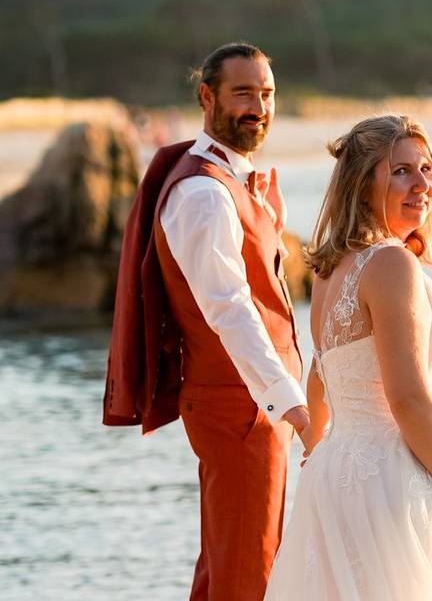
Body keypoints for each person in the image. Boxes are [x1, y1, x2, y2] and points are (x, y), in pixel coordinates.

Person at [108, 41, 311, 600]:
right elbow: (228, 307)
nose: (258, 107)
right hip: (239, 405)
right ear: (207, 96)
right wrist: (287, 399)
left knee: (228, 563)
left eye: (266, 94)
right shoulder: (202, 193)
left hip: (250, 402)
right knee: (249, 572)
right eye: (243, 93)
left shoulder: (237, 182)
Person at [264, 115, 432, 600]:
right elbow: (407, 396)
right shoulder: (391, 264)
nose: (421, 184)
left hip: (340, 476)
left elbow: (321, 378)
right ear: (362, 183)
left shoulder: (331, 271)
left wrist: (320, 448)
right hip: (396, 478)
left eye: (426, 168)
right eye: (400, 171)